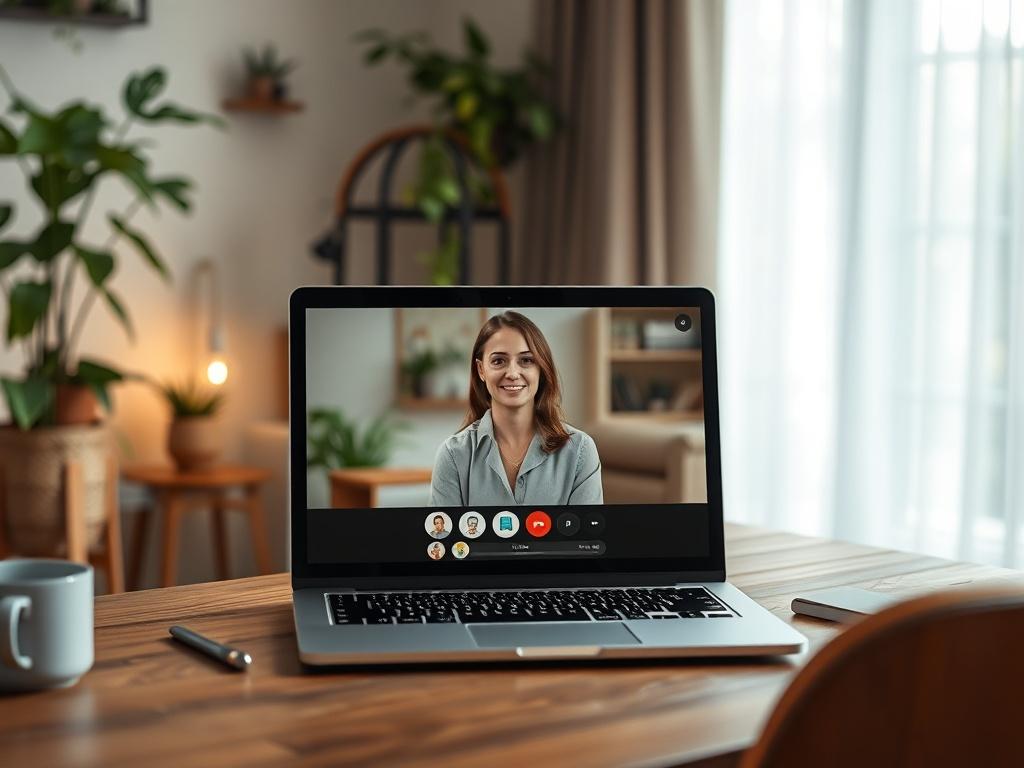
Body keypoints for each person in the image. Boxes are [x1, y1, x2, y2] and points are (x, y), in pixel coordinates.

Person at [429, 311, 603, 506]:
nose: (512, 373)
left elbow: (587, 536)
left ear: (541, 369)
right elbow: (443, 535)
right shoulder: (452, 455)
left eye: (526, 360)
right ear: (481, 370)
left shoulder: (580, 450)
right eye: (498, 361)